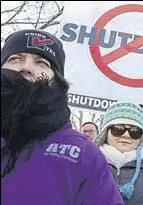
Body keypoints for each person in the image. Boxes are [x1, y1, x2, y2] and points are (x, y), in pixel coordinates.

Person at [1, 29, 124, 205]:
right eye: (15, 59)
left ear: (56, 80)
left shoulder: (84, 155)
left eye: (42, 62)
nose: (26, 67)